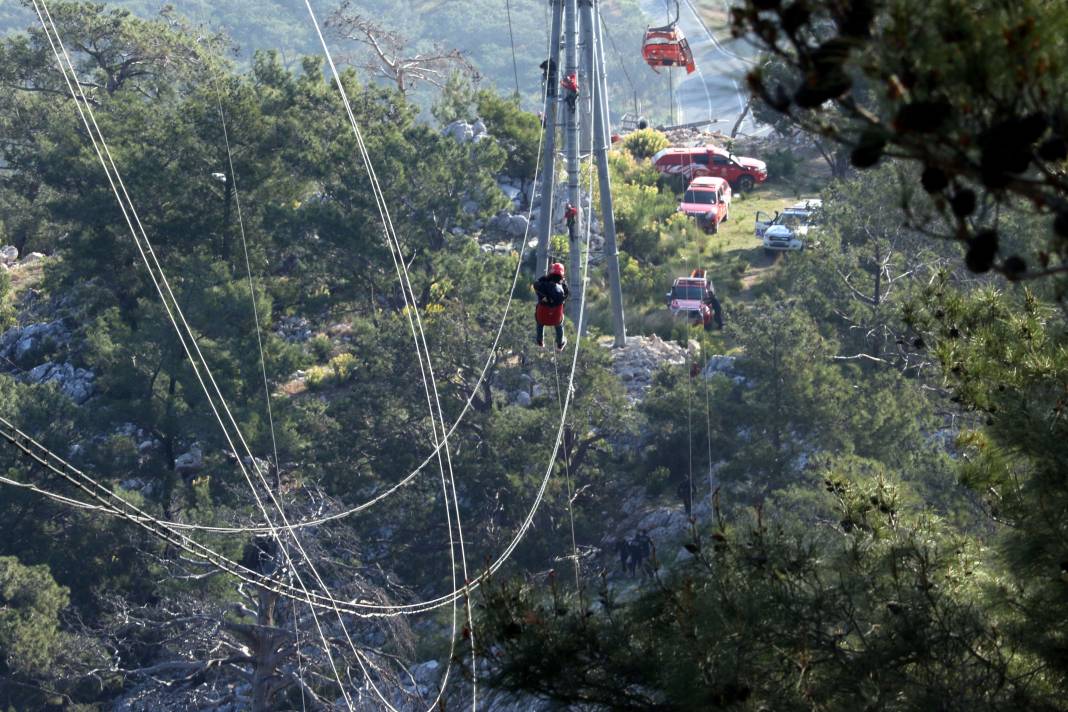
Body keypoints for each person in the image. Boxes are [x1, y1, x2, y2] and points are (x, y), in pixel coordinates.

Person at [533, 262, 569, 350]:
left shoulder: (542, 284)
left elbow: (536, 284)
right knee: (560, 323)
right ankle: (560, 343)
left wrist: (545, 278)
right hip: (556, 318)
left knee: (539, 323)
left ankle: (540, 340)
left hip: (542, 316)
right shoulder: (563, 287)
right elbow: (565, 296)